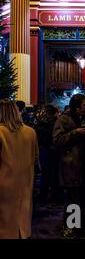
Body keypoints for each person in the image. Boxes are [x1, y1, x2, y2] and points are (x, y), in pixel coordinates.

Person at [53, 94, 85, 238]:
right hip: (72, 167)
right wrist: (74, 133)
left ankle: (82, 228)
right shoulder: (63, 119)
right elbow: (57, 140)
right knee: (72, 200)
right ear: (76, 107)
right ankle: (71, 227)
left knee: (83, 199)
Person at [0, 100, 39, 239]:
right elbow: (36, 159)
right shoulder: (30, 132)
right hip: (25, 185)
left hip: (3, 187)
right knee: (22, 225)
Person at [35, 104, 63, 205]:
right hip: (53, 151)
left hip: (44, 151)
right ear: (55, 113)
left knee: (45, 175)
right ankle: (55, 197)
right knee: (55, 175)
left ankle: (43, 197)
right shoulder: (56, 123)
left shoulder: (40, 123)